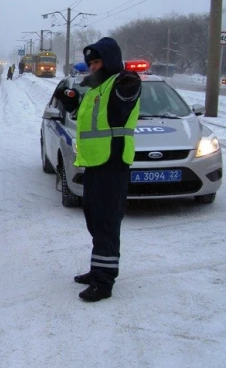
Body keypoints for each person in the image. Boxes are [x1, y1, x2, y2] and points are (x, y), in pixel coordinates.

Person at [55, 37, 141, 302]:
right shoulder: (97, 89)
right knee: (94, 221)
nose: (92, 67)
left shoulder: (121, 84)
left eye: (97, 62)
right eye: (90, 62)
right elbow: (91, 119)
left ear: (110, 62)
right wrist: (71, 101)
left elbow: (128, 89)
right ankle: (97, 270)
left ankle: (104, 283)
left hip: (112, 165)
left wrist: (117, 71)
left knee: (106, 223)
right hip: (94, 164)